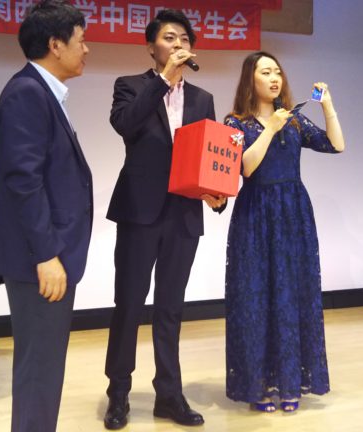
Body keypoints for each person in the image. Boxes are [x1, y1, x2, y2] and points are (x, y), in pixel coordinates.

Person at [102, 9, 227, 430]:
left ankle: (169, 395)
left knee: (170, 308)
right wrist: (163, 81)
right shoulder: (131, 86)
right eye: (170, 38)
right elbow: (125, 124)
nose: (178, 44)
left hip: (183, 215)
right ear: (151, 47)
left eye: (184, 39)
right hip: (140, 212)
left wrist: (216, 192)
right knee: (129, 304)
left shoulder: (203, 99)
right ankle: (119, 392)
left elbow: (210, 154)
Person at [0, 1, 92, 430]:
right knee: (39, 372)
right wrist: (46, 254)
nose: (87, 49)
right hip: (41, 259)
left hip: (48, 254)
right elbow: (23, 182)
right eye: (81, 40)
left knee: (44, 369)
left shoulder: (40, 91)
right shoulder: (28, 92)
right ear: (55, 44)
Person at [223, 51, 345, 413]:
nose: (274, 78)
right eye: (265, 72)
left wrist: (328, 106)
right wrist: (270, 129)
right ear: (251, 79)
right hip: (255, 214)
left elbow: (335, 144)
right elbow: (245, 168)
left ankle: (291, 382)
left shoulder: (294, 120)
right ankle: (258, 386)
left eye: (277, 71)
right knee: (256, 298)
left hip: (293, 213)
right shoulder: (236, 122)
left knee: (292, 295)